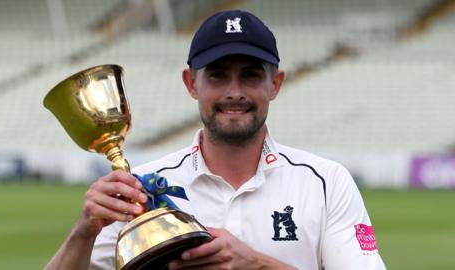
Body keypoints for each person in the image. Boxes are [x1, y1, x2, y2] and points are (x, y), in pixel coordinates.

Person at [45, 10, 386, 270]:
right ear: (191, 84)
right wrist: (84, 231)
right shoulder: (141, 188)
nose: (234, 92)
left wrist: (256, 263)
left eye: (251, 75)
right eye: (218, 76)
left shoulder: (326, 182)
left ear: (275, 84)